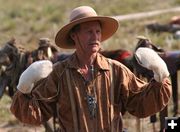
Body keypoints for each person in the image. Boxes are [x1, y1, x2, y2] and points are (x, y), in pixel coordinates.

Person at [10, 6, 171, 132]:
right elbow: (36, 112)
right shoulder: (59, 73)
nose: (95, 37)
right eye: (89, 32)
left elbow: (140, 103)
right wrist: (24, 88)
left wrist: (160, 77)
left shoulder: (116, 70)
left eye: (98, 31)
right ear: (74, 35)